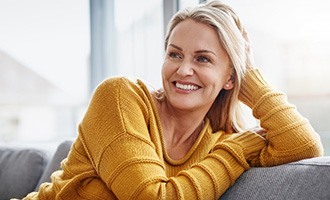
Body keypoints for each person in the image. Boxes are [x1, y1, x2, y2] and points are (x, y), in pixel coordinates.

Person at [23, 1, 323, 199]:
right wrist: (234, 154)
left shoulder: (222, 141)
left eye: (203, 59)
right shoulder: (120, 98)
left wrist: (250, 76)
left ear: (230, 79)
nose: (183, 69)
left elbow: (303, 145)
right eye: (174, 54)